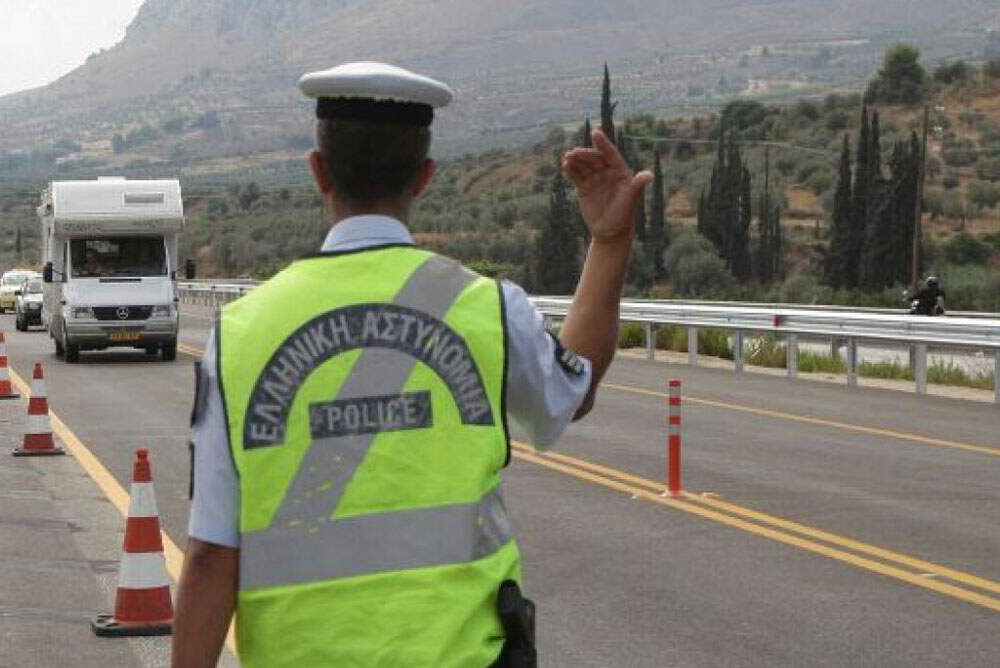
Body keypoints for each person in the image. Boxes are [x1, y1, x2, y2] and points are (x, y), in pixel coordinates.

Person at [172, 62, 652, 668]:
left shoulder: (240, 333)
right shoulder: (486, 308)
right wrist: (609, 242)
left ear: (317, 171)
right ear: (424, 177)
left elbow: (211, 555)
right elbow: (572, 387)